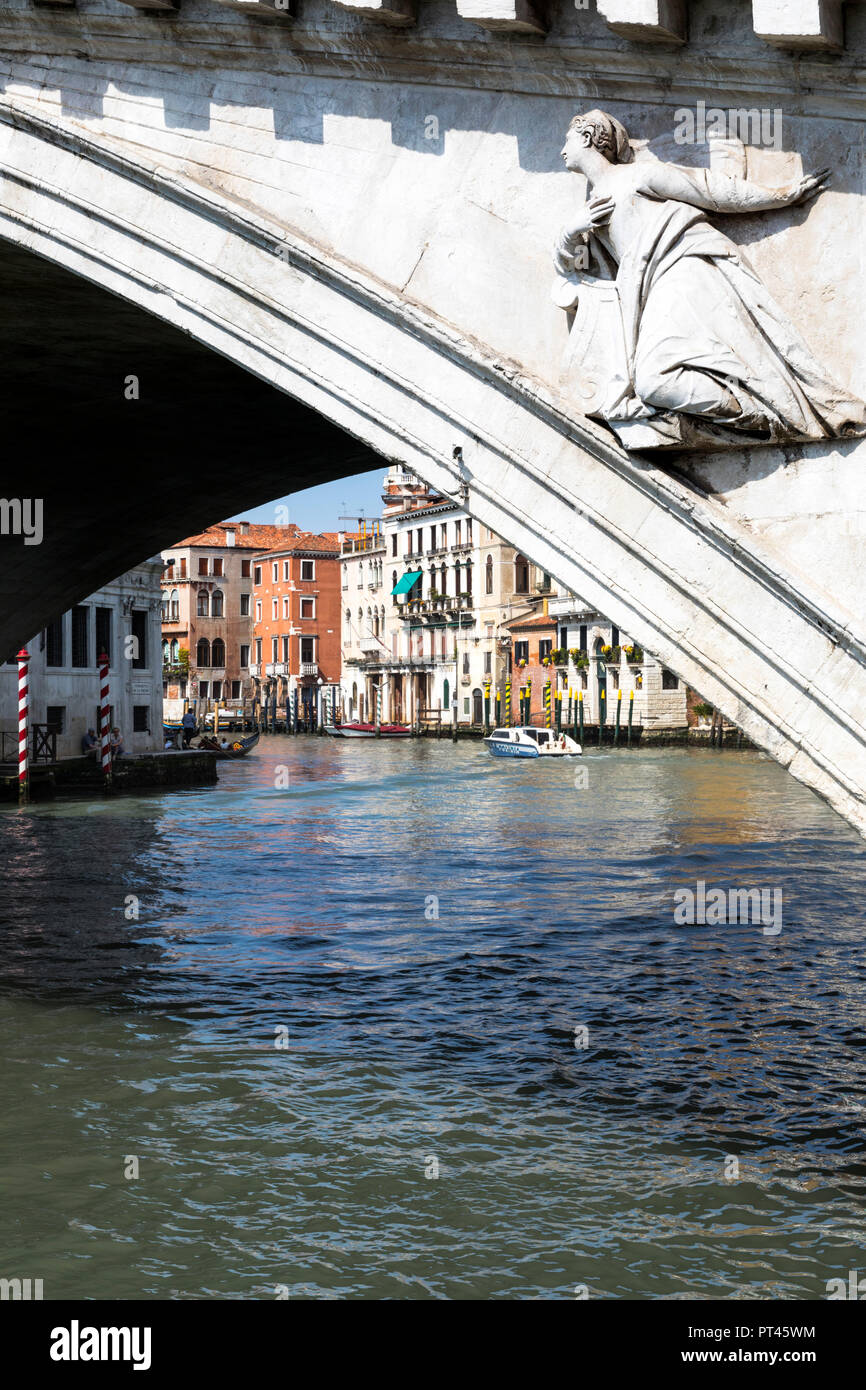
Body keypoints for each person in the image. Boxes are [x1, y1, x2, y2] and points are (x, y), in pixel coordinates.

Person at [554, 109, 866, 443]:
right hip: (646, 288)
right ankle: (756, 412)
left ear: (587, 138)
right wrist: (571, 233)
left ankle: (767, 410)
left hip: (681, 269)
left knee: (653, 380)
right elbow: (579, 269)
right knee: (654, 382)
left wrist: (782, 195)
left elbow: (709, 189)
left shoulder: (636, 176)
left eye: (568, 139)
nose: (562, 149)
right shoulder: (588, 209)